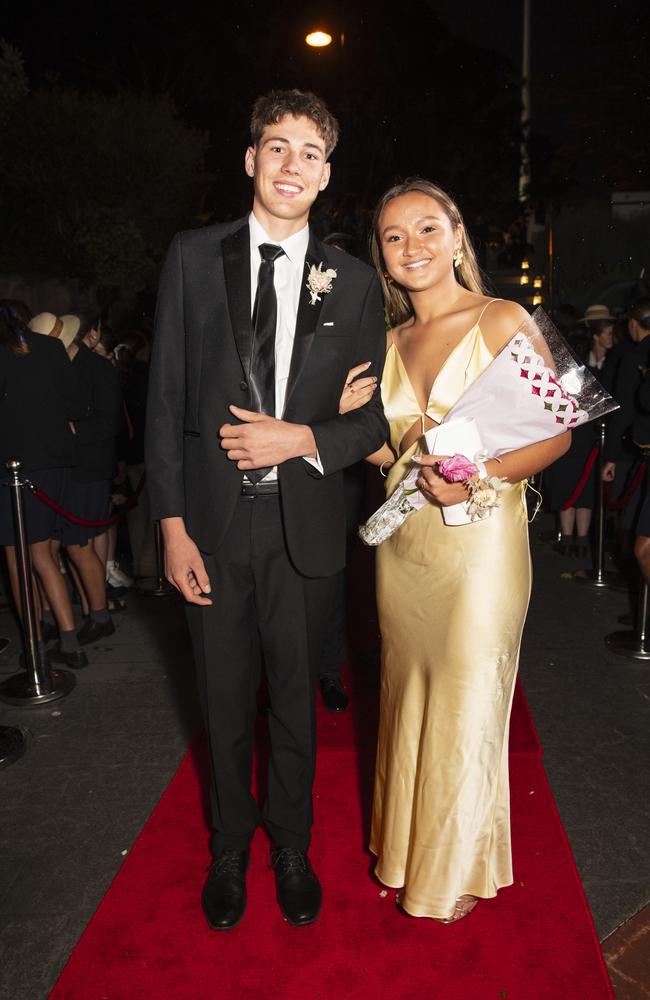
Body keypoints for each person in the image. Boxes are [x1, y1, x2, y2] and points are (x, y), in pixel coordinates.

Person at [145, 89, 388, 931]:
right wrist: (171, 528)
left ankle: (291, 845)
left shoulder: (354, 282)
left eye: (310, 153)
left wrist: (303, 439)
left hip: (305, 528)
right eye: (277, 147)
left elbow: (373, 420)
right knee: (221, 698)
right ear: (251, 159)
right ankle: (228, 848)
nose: (292, 165)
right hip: (211, 524)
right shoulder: (190, 256)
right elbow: (166, 400)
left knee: (294, 698)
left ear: (326, 177)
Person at [363, 178, 570, 922]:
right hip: (406, 543)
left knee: (468, 694)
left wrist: (475, 473)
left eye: (427, 228)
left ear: (457, 237)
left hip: (480, 542)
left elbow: (555, 433)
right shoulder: (383, 343)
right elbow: (380, 453)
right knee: (407, 692)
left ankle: (448, 871)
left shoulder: (500, 317)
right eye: (394, 236)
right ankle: (406, 849)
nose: (412, 245)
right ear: (382, 259)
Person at [0, 308, 84, 667]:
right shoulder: (50, 348)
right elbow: (76, 405)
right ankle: (66, 638)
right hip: (56, 463)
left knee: (21, 557)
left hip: (14, 467)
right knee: (45, 552)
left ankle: (38, 644)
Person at [544, 306, 615, 558]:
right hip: (572, 430)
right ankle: (568, 537)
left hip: (593, 434)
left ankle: (582, 539)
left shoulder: (615, 360)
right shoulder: (579, 358)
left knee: (585, 488)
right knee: (567, 482)